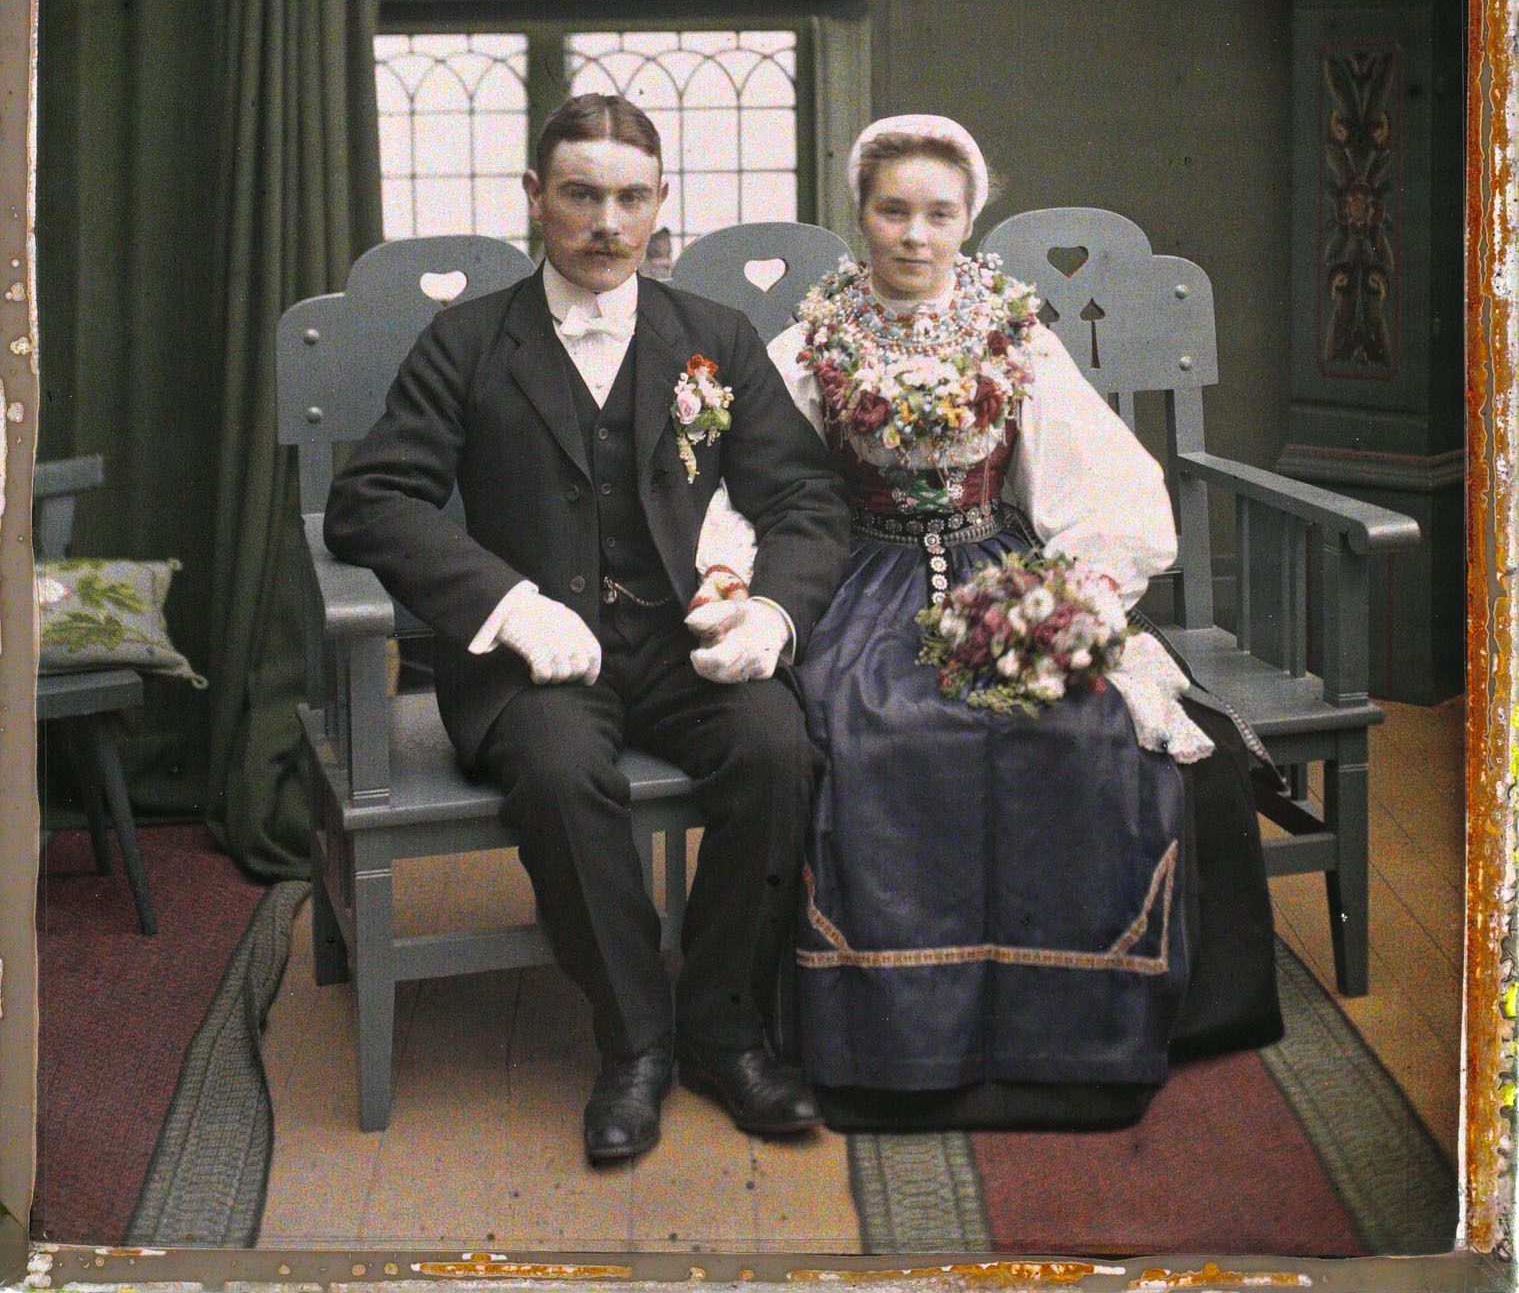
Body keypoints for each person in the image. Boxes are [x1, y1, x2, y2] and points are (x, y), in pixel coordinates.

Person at [702, 114, 1282, 1129]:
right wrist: (733, 578)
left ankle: (1063, 1040)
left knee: (1083, 722)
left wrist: (1075, 592)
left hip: (994, 566)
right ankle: (893, 1040)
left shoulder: (1011, 330)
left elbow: (1098, 477)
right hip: (851, 579)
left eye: (940, 212)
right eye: (894, 209)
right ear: (861, 213)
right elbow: (752, 480)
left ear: (971, 217)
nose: (915, 234)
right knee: (879, 732)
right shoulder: (812, 337)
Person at [323, 95, 852, 1164]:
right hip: (538, 659)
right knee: (562, 775)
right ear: (534, 199)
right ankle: (635, 1046)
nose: (607, 220)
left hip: (680, 636)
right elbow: (370, 499)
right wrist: (504, 603)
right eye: (580, 194)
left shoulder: (715, 337)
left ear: (661, 207)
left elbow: (805, 499)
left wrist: (775, 613)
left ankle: (722, 1027)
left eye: (630, 197)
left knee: (776, 747)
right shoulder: (470, 339)